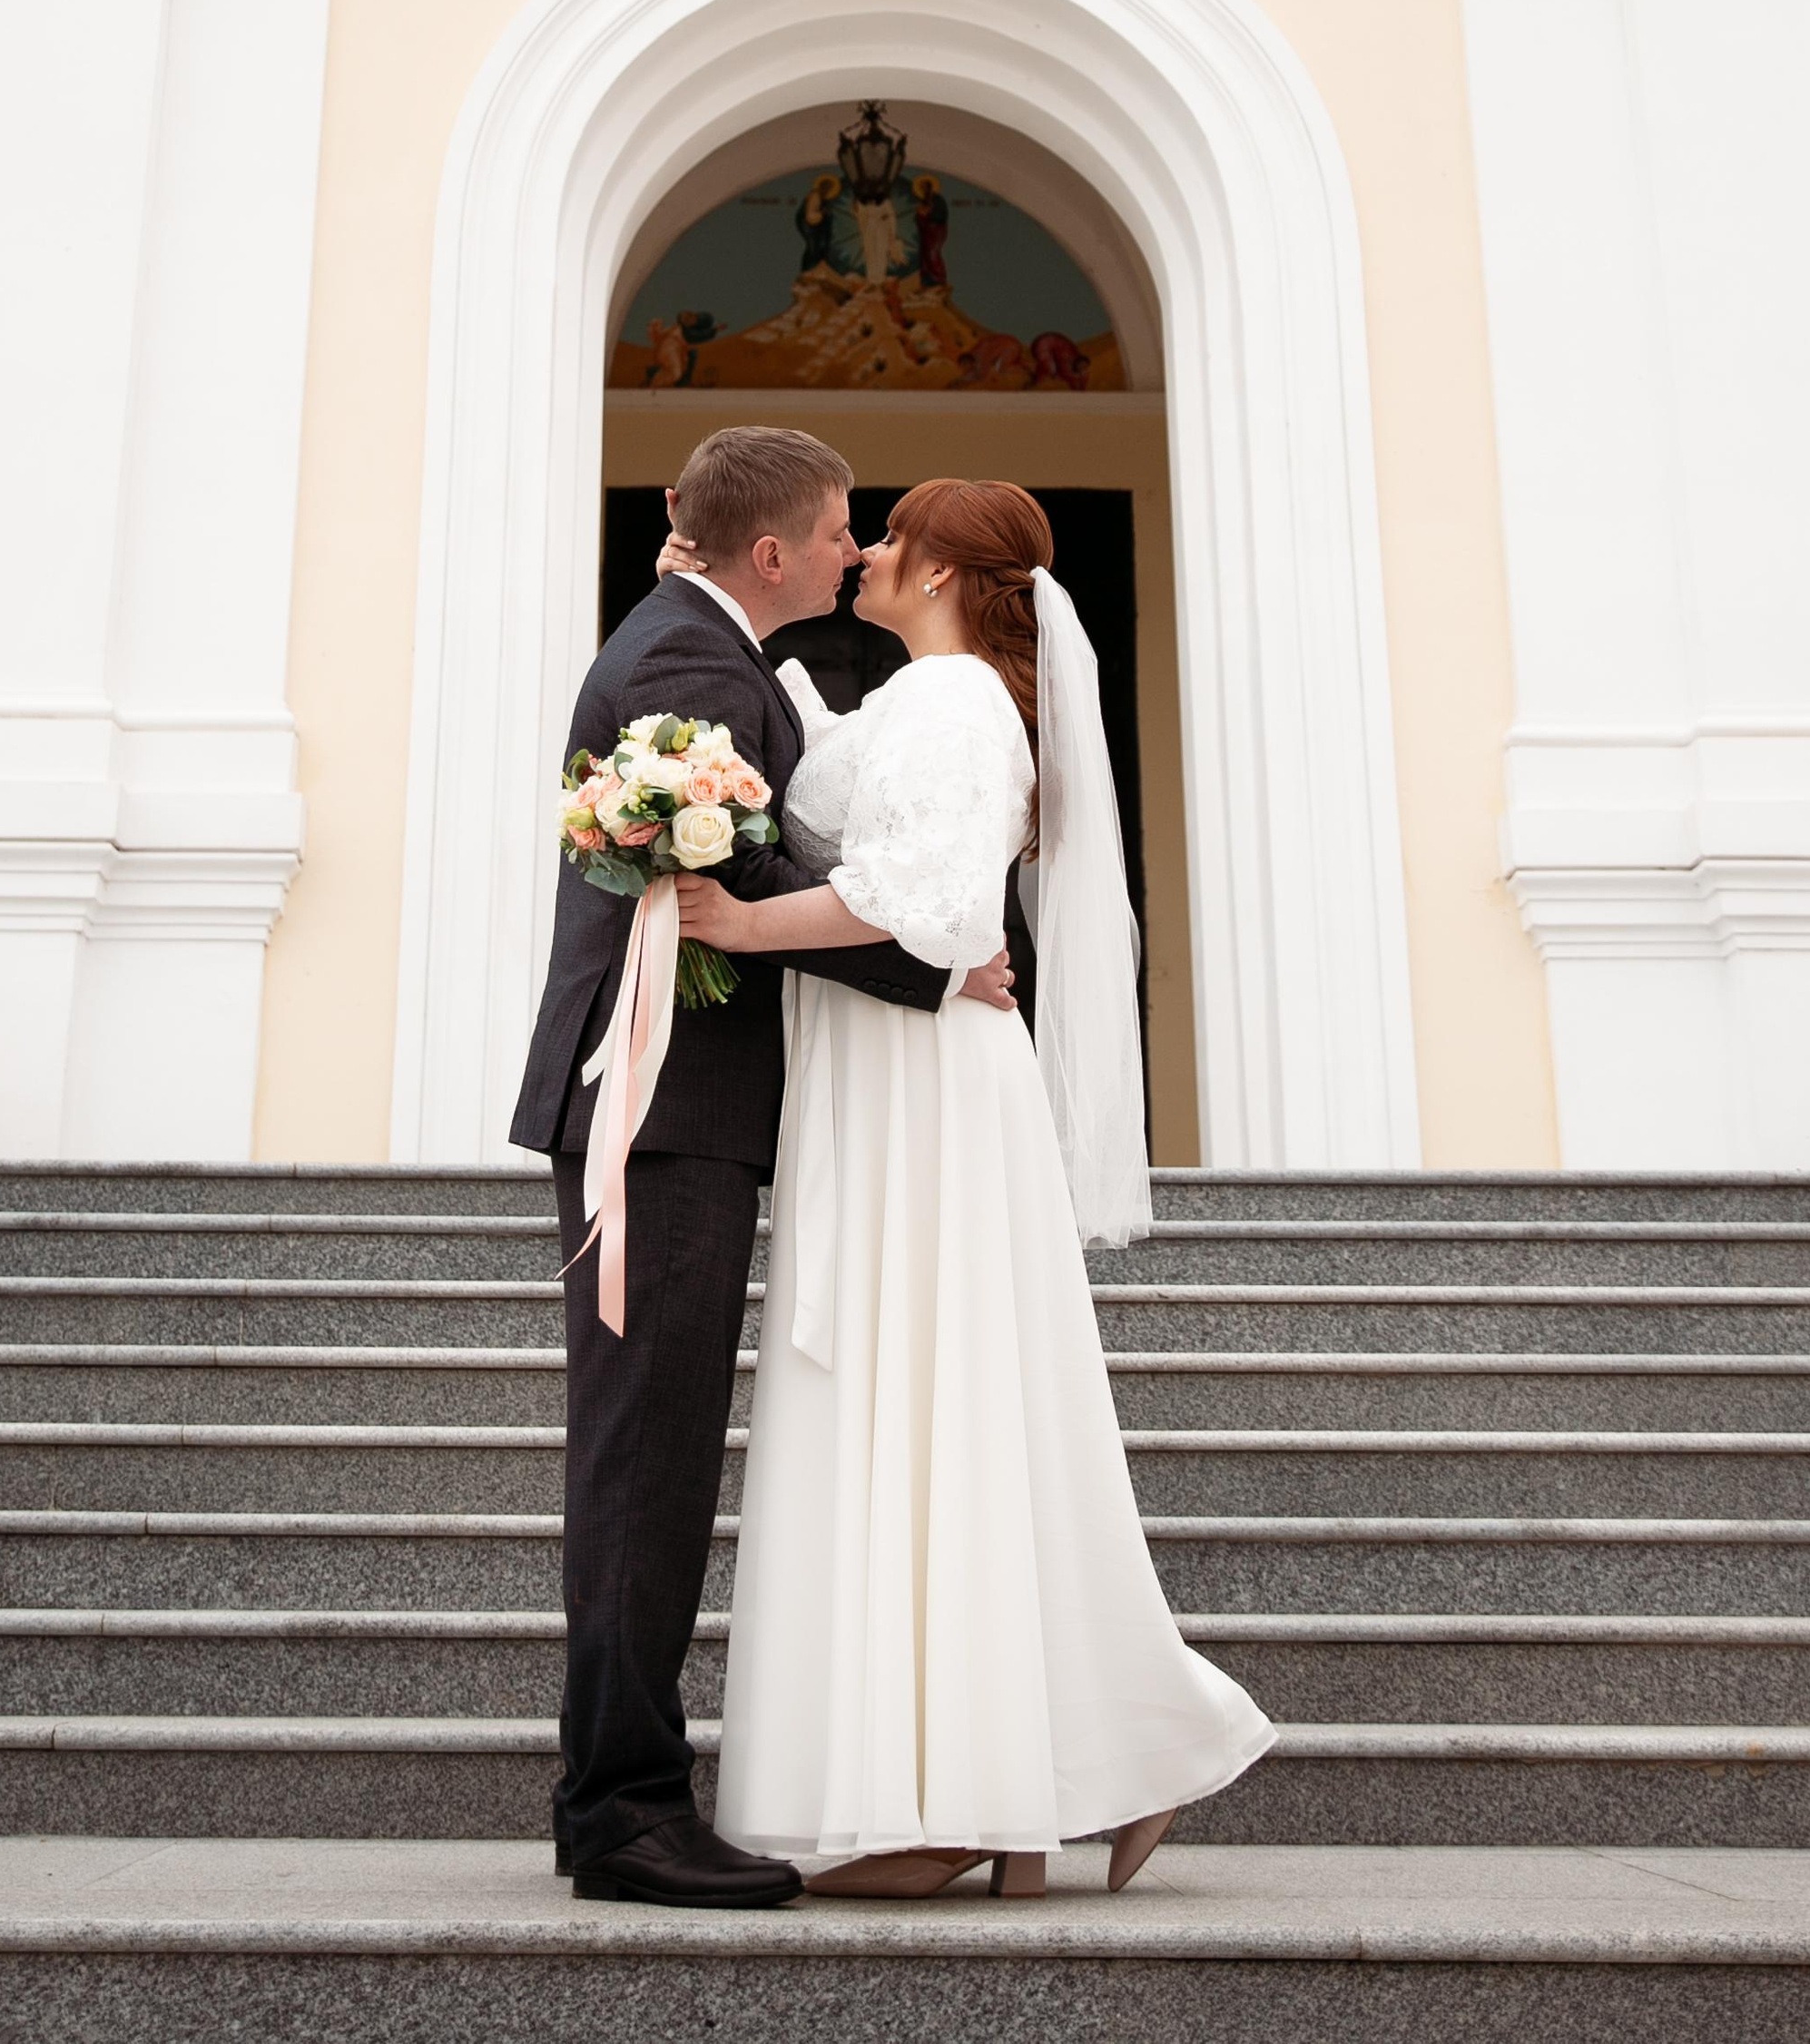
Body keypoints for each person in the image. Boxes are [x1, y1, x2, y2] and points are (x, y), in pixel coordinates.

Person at [667, 478, 1274, 1895]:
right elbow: (821, 796)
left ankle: (966, 1798)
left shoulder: (949, 706)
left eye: (887, 536)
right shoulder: (912, 700)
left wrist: (744, 926)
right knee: (939, 1410)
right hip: (892, 1077)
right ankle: (1045, 1774)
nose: (864, 551)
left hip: (920, 1088)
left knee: (928, 1405)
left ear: (937, 565)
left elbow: (923, 910)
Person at [509, 427, 1020, 1910]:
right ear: (777, 555)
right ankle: (623, 1810)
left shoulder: (693, 635)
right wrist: (936, 974)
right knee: (642, 1465)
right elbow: (728, 879)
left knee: (649, 1459)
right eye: (843, 527)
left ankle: (613, 1794)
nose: (862, 548)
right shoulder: (690, 662)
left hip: (685, 1109)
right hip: (661, 1105)